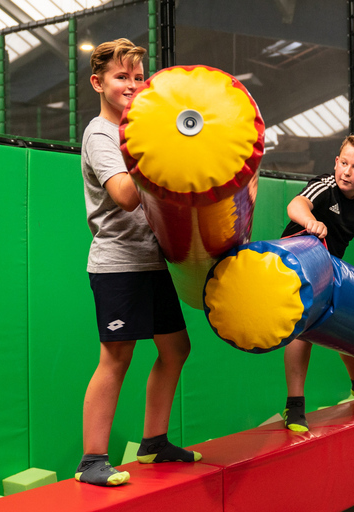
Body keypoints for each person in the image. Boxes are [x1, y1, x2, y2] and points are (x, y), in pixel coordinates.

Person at [76, 38, 201, 487]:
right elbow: (127, 196)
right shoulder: (102, 134)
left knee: (176, 349)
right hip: (118, 265)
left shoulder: (142, 130)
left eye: (137, 76)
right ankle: (91, 459)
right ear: (98, 82)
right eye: (120, 77)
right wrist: (160, 154)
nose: (131, 84)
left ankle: (154, 442)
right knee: (116, 357)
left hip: (153, 263)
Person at [280, 134, 354, 432]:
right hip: (296, 262)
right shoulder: (327, 185)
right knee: (304, 328)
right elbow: (296, 204)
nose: (347, 172)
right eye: (343, 163)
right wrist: (310, 221)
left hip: (329, 266)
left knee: (349, 320)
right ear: (336, 162)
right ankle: (294, 405)